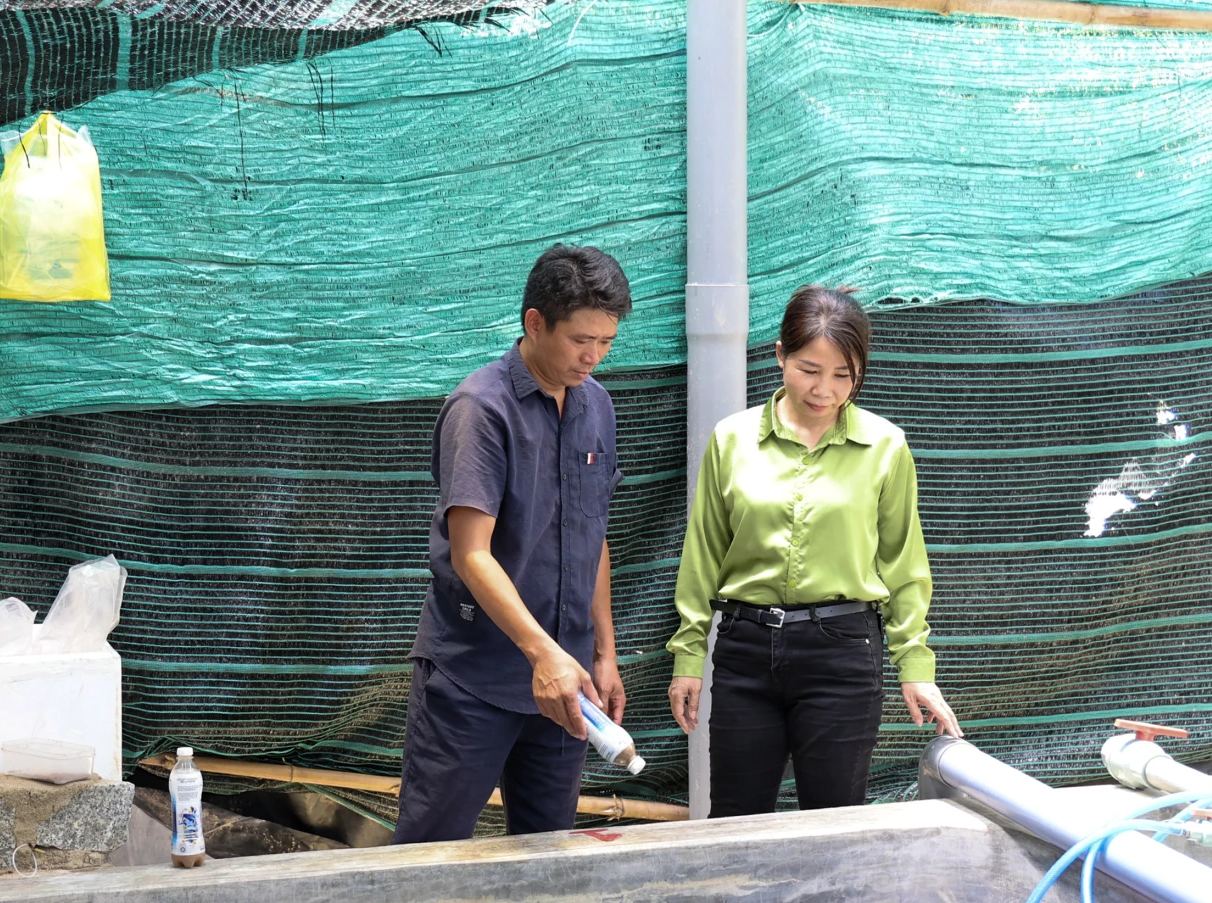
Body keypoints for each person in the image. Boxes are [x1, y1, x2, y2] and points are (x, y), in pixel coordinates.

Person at [666, 284, 962, 817]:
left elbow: (903, 562)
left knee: (833, 821)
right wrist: (689, 656)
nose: (824, 389)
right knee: (734, 820)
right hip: (745, 650)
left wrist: (915, 665)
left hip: (843, 651)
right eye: (808, 369)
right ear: (779, 354)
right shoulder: (731, 440)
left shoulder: (885, 446)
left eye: (842, 376)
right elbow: (703, 553)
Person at [395, 245, 632, 844]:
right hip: (476, 675)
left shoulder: (597, 406)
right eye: (582, 339)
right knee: (430, 854)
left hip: (567, 681)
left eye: (606, 341)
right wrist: (541, 653)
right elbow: (471, 552)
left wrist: (602, 652)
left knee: (548, 853)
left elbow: (592, 532)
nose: (593, 356)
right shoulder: (481, 409)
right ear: (534, 322)